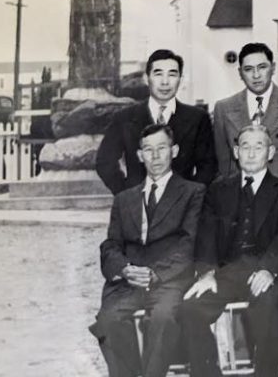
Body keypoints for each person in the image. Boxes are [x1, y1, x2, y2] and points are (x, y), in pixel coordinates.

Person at [179, 124, 278, 377]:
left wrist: (268, 269)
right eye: (246, 146)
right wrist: (207, 273)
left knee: (268, 306)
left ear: (271, 152)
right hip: (228, 272)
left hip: (267, 271)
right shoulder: (218, 189)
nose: (252, 153)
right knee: (190, 307)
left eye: (259, 146)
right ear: (236, 152)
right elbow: (206, 235)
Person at [89, 123, 205, 377]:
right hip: (128, 282)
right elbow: (111, 245)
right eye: (148, 150)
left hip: (168, 280)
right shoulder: (124, 199)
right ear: (140, 156)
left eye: (161, 148)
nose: (155, 156)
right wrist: (125, 270)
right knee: (108, 322)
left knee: (163, 319)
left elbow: (189, 244)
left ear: (174, 151)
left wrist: (154, 274)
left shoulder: (192, 193)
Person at [96, 49, 216, 194]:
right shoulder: (124, 118)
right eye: (158, 74)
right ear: (146, 79)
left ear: (181, 80)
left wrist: (191, 197)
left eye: (172, 74)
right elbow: (105, 162)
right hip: (138, 205)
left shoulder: (198, 118)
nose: (165, 82)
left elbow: (209, 166)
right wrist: (126, 194)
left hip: (183, 207)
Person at [212, 42, 278, 181]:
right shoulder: (223, 108)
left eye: (262, 67)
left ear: (273, 68)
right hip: (240, 193)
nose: (256, 75)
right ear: (240, 73)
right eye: (248, 69)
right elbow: (223, 161)